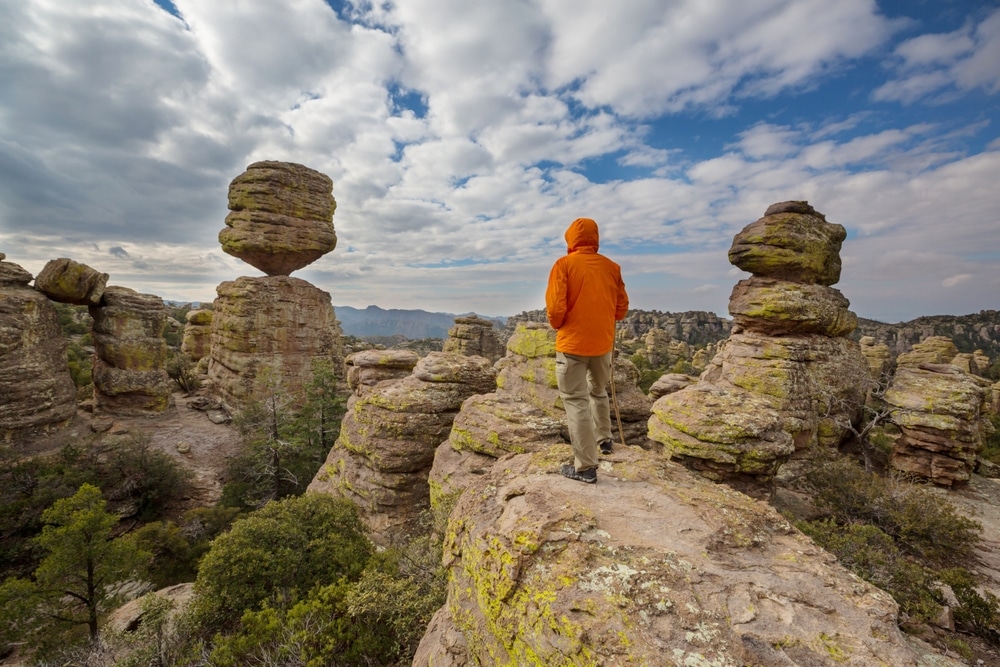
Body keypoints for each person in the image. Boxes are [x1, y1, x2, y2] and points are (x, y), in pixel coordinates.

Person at [545, 217, 629, 484]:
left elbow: (556, 310)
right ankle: (605, 440)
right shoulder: (612, 267)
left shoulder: (564, 265)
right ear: (595, 238)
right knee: (599, 391)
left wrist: (560, 325)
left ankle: (585, 468)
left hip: (572, 345)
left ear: (570, 239)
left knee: (575, 401)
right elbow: (622, 309)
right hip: (602, 345)